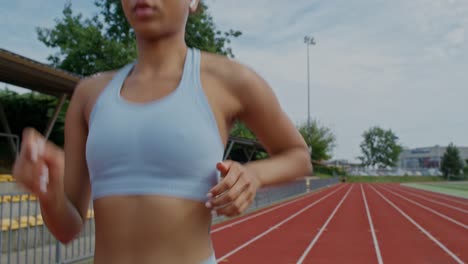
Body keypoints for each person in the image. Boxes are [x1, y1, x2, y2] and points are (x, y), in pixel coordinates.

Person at [12, 0, 312, 263]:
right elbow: (68, 229)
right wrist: (48, 192)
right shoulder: (88, 95)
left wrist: (254, 175)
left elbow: (299, 156)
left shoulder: (230, 80)